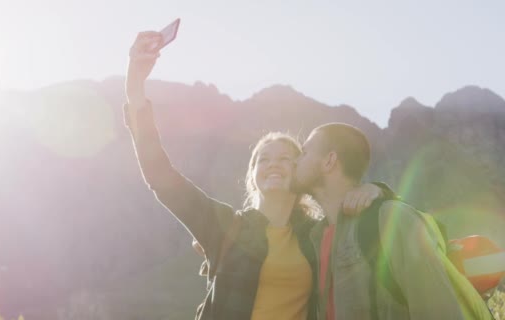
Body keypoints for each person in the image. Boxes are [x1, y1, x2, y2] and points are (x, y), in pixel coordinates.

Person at [124, 31, 393, 320]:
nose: (272, 165)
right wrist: (135, 84)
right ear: (252, 176)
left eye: (285, 159)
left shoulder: (316, 235)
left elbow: (377, 228)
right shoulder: (225, 227)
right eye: (263, 159)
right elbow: (161, 177)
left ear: (300, 171)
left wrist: (378, 191)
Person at [292, 122, 493, 320]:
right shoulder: (315, 238)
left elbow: (440, 311)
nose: (296, 161)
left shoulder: (389, 220)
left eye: (304, 152)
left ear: (329, 161)